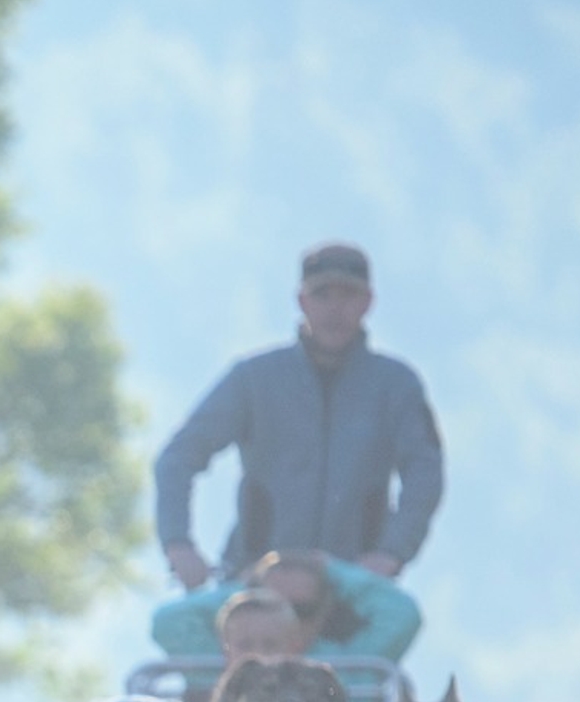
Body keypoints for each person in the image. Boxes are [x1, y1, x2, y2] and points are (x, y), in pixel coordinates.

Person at [153, 243, 444, 589]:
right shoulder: (254, 379)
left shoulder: (396, 386)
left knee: (402, 622)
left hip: (351, 589)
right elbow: (178, 457)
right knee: (177, 627)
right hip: (254, 585)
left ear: (368, 303)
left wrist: (391, 554)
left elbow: (425, 473)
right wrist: (178, 545)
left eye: (348, 295)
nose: (335, 308)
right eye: (322, 294)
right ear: (302, 301)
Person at [153, 547, 422, 662]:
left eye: (300, 609)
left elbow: (403, 614)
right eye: (269, 603)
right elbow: (167, 621)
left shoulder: (349, 668)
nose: (285, 616)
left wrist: (335, 572)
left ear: (323, 612)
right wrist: (243, 591)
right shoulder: (228, 659)